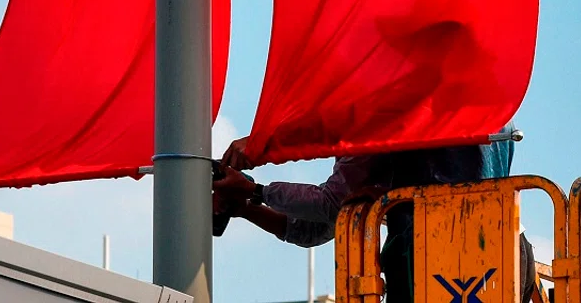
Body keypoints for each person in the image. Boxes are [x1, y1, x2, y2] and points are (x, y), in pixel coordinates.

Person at [213, 122, 536, 303]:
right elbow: (326, 222)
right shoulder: (496, 104)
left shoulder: (388, 108)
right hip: (501, 263)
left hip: (432, 266)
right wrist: (245, 206)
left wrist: (256, 188)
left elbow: (331, 204)